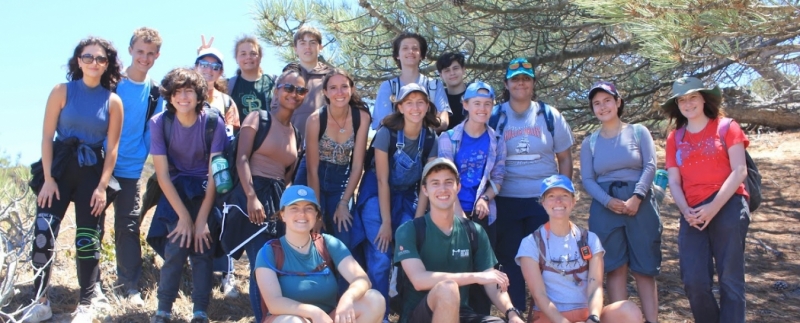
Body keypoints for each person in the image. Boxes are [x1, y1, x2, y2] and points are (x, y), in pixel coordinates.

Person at [24, 37, 123, 323]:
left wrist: (103, 187)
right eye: (88, 57)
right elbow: (46, 137)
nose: (94, 62)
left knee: (87, 239)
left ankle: (87, 303)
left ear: (107, 65)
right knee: (44, 232)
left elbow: (113, 149)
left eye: (101, 59)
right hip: (58, 169)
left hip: (92, 175)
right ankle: (40, 302)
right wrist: (48, 179)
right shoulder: (61, 91)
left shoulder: (113, 101)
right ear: (78, 61)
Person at [219, 65, 306, 322]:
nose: (294, 93)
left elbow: (287, 174)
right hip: (252, 196)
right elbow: (241, 158)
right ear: (276, 90)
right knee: (262, 266)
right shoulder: (258, 118)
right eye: (288, 87)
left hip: (277, 202)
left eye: (300, 90)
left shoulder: (297, 134)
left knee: (277, 266)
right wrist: (251, 196)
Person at [662, 77, 750, 323]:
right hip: (691, 211)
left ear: (704, 99)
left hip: (728, 204)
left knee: (730, 280)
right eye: (682, 99)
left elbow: (739, 170)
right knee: (694, 281)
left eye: (693, 97)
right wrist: (686, 210)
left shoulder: (727, 127)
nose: (688, 103)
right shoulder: (674, 138)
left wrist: (713, 207)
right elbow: (674, 181)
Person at [393, 158, 524, 323]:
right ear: (425, 190)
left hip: (462, 314)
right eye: (435, 183)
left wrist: (511, 313)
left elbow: (491, 281)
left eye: (448, 182)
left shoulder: (474, 232)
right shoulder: (409, 230)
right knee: (447, 289)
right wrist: (476, 277)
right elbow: (419, 280)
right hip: (420, 316)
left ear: (458, 187)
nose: (442, 189)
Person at [351, 83, 440, 320]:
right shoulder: (385, 134)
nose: (415, 107)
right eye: (409, 102)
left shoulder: (431, 137)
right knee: (380, 256)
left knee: (409, 252)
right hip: (377, 194)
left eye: (420, 102)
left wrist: (419, 222)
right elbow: (381, 180)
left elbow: (426, 183)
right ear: (399, 107)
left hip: (409, 195)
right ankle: (379, 314)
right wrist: (386, 222)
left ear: (427, 106)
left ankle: (408, 313)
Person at [492, 57, 574, 311]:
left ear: (533, 83)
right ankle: (515, 313)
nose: (521, 83)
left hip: (542, 202)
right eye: (515, 79)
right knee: (511, 263)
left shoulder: (549, 115)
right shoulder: (496, 115)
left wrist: (563, 196)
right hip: (505, 200)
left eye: (526, 78)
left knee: (546, 262)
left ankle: (545, 314)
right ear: (507, 83)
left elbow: (565, 157)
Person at [146, 68, 227, 323]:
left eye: (189, 91)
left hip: (206, 189)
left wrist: (201, 220)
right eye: (177, 92)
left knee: (202, 250)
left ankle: (200, 311)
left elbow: (215, 173)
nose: (183, 97)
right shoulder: (160, 123)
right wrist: (183, 217)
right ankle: (163, 309)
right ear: (169, 97)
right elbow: (162, 175)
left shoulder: (213, 121)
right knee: (177, 247)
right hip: (176, 189)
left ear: (199, 95)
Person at [579, 81, 661, 323]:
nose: (602, 107)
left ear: (618, 102)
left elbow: (650, 165)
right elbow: (587, 179)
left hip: (640, 204)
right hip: (606, 207)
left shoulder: (638, 131)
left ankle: (653, 320)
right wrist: (607, 201)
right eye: (597, 103)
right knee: (615, 267)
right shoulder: (590, 142)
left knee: (644, 268)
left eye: (607, 100)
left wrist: (637, 196)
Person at [516, 175, 643, 323]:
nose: (558, 201)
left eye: (564, 195)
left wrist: (593, 317)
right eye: (551, 196)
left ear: (574, 201)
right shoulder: (531, 243)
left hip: (586, 314)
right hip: (550, 317)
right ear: (543, 203)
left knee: (629, 311)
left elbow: (595, 286)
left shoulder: (589, 239)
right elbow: (539, 294)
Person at [254, 185, 385, 323]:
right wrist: (313, 312)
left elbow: (362, 280)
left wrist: (348, 298)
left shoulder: (328, 244)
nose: (302, 214)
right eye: (294, 208)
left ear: (316, 215)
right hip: (288, 319)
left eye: (309, 208)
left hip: (328, 319)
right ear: (283, 215)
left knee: (374, 299)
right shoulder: (269, 252)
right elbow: (274, 303)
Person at [437, 81, 506, 315]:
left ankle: (482, 317)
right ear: (465, 105)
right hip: (451, 214)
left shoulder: (497, 140)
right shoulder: (448, 138)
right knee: (454, 272)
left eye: (488, 104)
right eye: (477, 103)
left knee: (484, 272)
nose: (482, 109)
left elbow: (498, 176)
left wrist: (485, 198)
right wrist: (459, 215)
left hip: (483, 215)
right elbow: (446, 179)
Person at [112, 27, 162, 307]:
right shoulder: (112, 83)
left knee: (128, 226)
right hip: (99, 169)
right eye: (140, 51)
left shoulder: (156, 93)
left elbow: (149, 135)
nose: (144, 57)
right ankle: (91, 287)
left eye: (150, 53)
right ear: (130, 50)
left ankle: (130, 287)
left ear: (157, 55)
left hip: (131, 172)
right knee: (90, 225)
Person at [193, 46, 243, 298]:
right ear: (195, 66)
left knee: (223, 221)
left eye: (215, 66)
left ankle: (227, 275)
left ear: (221, 72)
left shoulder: (226, 102)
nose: (209, 70)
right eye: (203, 63)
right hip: (188, 172)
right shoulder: (185, 95)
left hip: (219, 172)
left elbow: (233, 139)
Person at [302, 69, 371, 246]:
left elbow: (357, 166)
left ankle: (344, 273)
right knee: (313, 233)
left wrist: (344, 202)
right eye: (333, 88)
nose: (339, 93)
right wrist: (315, 210)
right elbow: (312, 169)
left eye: (344, 87)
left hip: (341, 180)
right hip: (313, 176)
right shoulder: (316, 119)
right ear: (325, 92)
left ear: (352, 89)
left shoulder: (361, 117)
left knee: (344, 235)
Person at [371, 32, 450, 132]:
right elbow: (384, 122)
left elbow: (444, 121)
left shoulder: (434, 85)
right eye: (405, 48)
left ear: (421, 55)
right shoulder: (388, 87)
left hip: (429, 145)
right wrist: (428, 122)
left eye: (415, 48)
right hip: (396, 146)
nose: (410, 51)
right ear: (397, 55)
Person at [436, 52, 468, 130]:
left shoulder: (475, 93)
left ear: (463, 70)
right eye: (447, 70)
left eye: (455, 68)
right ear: (441, 75)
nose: (452, 73)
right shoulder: (438, 98)